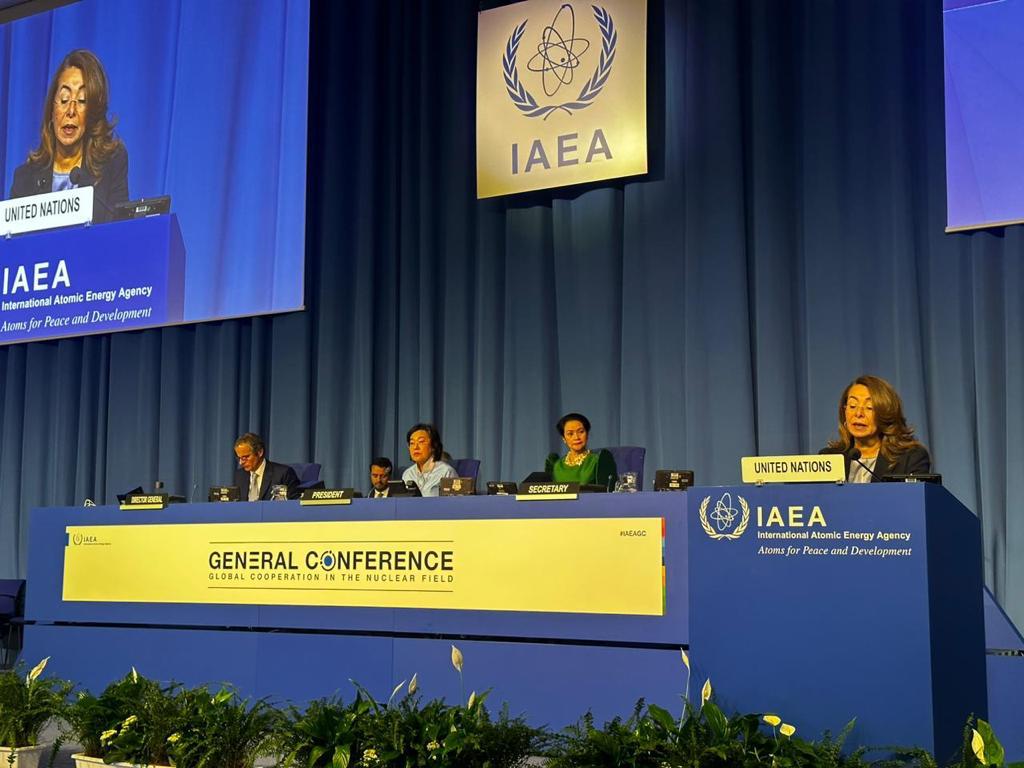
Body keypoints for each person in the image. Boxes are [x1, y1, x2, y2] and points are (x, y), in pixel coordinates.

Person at [9, 49, 129, 222]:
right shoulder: (24, 179)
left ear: (92, 113)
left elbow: (120, 230)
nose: (71, 111)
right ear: (52, 109)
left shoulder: (111, 165)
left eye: (81, 101)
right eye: (64, 99)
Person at [822, 375, 931, 483]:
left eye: (869, 407)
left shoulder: (910, 458)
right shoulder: (829, 458)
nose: (858, 413)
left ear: (886, 414)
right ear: (844, 411)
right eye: (852, 406)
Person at [545, 412, 617, 489]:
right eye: (570, 434)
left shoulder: (598, 461)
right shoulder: (557, 465)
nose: (576, 437)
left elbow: (608, 492)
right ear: (564, 438)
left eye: (581, 432)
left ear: (587, 434)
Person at [232, 432, 300, 501]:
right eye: (239, 458)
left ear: (260, 452)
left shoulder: (283, 474)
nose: (241, 462)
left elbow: (295, 502)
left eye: (245, 457)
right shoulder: (239, 476)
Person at [402, 423, 456, 497]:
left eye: (421, 442)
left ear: (434, 446)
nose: (415, 447)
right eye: (412, 443)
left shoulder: (446, 472)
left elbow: (455, 502)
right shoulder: (408, 474)